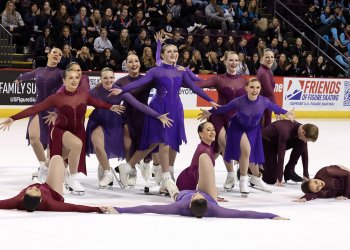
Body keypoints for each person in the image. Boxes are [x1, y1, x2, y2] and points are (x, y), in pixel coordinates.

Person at [110, 44, 219, 194]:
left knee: (168, 141)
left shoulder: (180, 71)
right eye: (169, 51)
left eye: (175, 51)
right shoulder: (156, 71)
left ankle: (130, 168)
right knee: (163, 142)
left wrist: (209, 99)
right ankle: (167, 178)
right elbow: (138, 83)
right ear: (162, 55)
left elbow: (195, 87)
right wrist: (122, 90)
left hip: (176, 110)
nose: (173, 53)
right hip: (159, 109)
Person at [0, 70, 125, 195]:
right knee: (77, 144)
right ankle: (73, 179)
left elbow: (98, 103)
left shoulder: (84, 95)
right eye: (70, 78)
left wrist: (110, 107)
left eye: (76, 77)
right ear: (64, 81)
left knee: (61, 156)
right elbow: (35, 108)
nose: (74, 80)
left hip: (77, 131)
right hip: (60, 130)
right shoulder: (57, 98)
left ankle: (45, 166)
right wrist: (13, 117)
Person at [107, 138, 287, 220]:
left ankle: (165, 185)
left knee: (171, 189)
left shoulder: (179, 206)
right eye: (199, 196)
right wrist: (272, 216)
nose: (196, 193)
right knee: (203, 158)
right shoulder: (215, 209)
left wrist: (119, 209)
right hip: (211, 194)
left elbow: (148, 208)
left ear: (190, 204)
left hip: (178, 194)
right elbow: (244, 214)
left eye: (195, 197)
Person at [199, 78, 295, 197]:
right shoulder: (239, 101)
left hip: (253, 129)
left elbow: (276, 108)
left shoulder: (264, 101)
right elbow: (223, 108)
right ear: (246, 88)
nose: (255, 90)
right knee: (246, 150)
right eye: (252, 87)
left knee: (252, 155)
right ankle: (243, 181)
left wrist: (286, 112)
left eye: (257, 88)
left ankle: (256, 178)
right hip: (237, 128)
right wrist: (210, 111)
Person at [86, 67, 172, 188]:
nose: (108, 80)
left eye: (111, 77)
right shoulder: (94, 91)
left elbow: (139, 105)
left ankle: (130, 170)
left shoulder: (120, 91)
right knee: (98, 146)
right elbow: (80, 101)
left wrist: (158, 116)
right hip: (98, 121)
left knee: (128, 145)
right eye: (105, 78)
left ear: (114, 79)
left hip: (115, 121)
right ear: (100, 79)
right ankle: (107, 172)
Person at [195, 51, 246, 191]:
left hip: (235, 118)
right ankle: (230, 174)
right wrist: (181, 77)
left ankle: (202, 168)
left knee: (217, 151)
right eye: (231, 60)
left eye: (236, 60)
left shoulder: (244, 81)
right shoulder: (219, 79)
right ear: (225, 61)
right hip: (218, 115)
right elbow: (199, 84)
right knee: (223, 142)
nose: (234, 63)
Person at [14, 48, 64, 180]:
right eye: (55, 52)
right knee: (34, 139)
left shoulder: (60, 73)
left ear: (60, 59)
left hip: (52, 111)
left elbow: (69, 85)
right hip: (37, 108)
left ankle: (50, 169)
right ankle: (44, 167)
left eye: (59, 55)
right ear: (48, 54)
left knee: (50, 143)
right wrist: (19, 79)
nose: (57, 55)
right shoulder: (39, 70)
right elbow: (28, 75)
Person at [0, 155, 107, 213]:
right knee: (57, 158)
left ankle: (45, 170)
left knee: (55, 158)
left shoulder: (16, 200)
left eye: (30, 189)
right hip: (54, 191)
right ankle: (65, 177)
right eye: (36, 190)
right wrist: (96, 209)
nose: (33, 187)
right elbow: (73, 207)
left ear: (22, 197)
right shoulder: (50, 203)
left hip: (46, 185)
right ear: (41, 199)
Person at [261, 120, 319, 186]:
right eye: (307, 139)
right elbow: (281, 155)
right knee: (271, 179)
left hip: (277, 142)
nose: (306, 141)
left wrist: (305, 174)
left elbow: (304, 153)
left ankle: (289, 170)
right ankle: (252, 170)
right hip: (266, 144)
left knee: (301, 143)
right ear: (303, 132)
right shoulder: (285, 132)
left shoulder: (303, 128)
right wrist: (279, 176)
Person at [176, 122, 215, 191]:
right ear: (201, 134)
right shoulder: (205, 150)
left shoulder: (205, 147)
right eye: (209, 130)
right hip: (187, 185)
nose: (212, 132)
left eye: (213, 130)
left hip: (187, 181)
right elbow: (200, 175)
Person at [256, 48, 277, 128]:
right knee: (265, 129)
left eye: (272, 57)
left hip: (264, 105)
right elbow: (270, 93)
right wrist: (276, 109)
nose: (270, 59)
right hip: (264, 106)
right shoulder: (264, 72)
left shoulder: (267, 71)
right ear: (262, 58)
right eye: (267, 57)